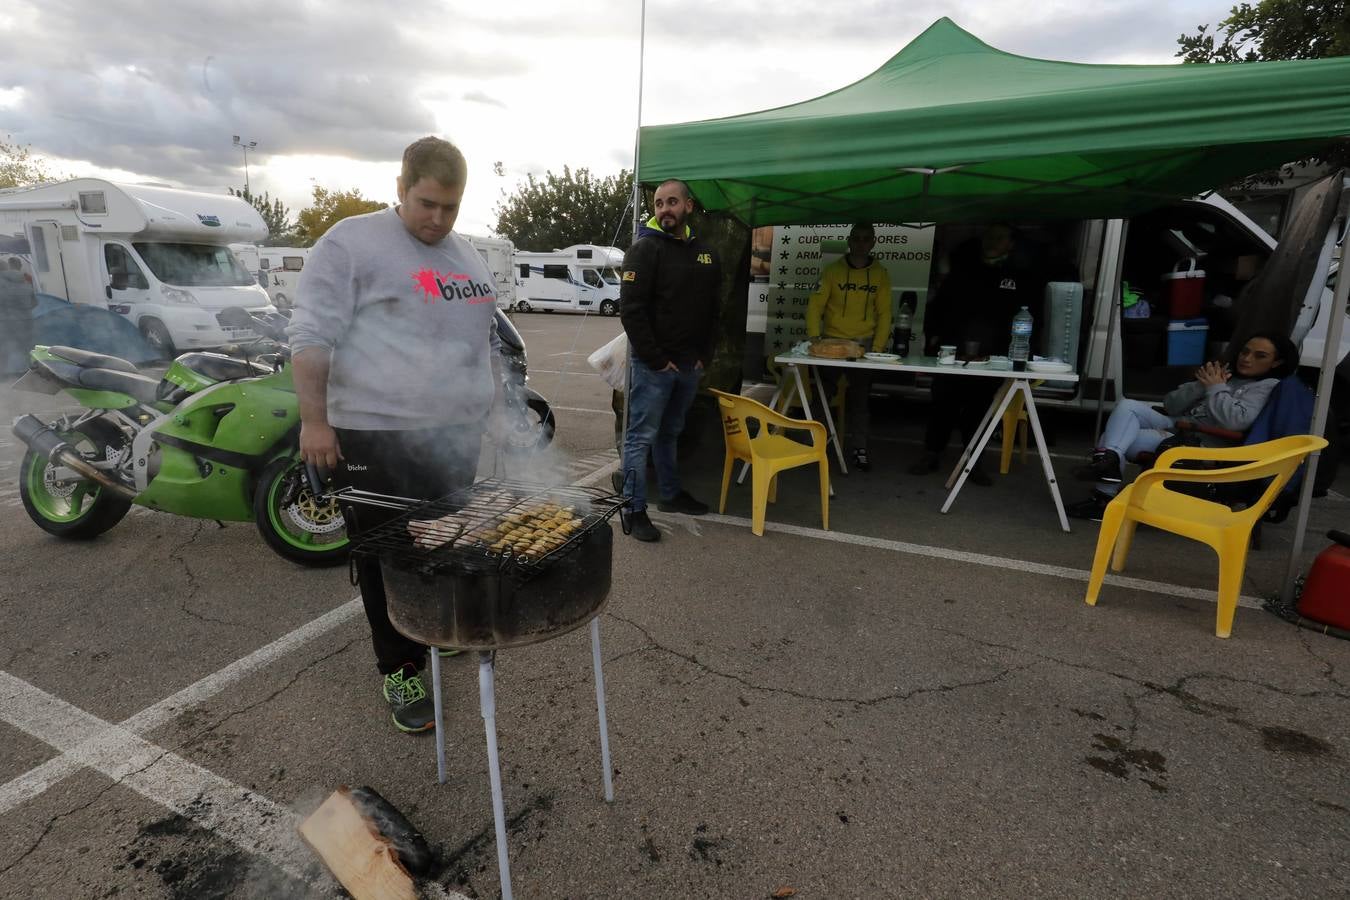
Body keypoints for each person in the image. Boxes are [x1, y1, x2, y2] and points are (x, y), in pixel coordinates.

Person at [287, 136, 501, 734]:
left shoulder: (466, 256)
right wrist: (314, 422)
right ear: (401, 188)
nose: (437, 219)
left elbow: (482, 340)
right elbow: (310, 336)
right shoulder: (353, 243)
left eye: (450, 207)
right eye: (427, 203)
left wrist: (496, 409)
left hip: (453, 433)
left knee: (447, 540)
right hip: (376, 435)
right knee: (389, 556)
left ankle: (433, 628)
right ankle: (400, 668)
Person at [1067, 332, 1297, 520]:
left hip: (1202, 441)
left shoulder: (1267, 386)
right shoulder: (1226, 374)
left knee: (1114, 438)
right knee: (1128, 405)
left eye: (1260, 356)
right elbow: (1170, 403)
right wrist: (1200, 386)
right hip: (1179, 426)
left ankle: (1104, 494)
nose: (1247, 359)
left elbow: (1236, 421)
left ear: (1276, 362)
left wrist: (1215, 388)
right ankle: (1108, 465)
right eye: (1245, 351)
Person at [618, 179, 722, 543]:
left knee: (671, 432)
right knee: (640, 437)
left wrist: (703, 356)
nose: (664, 209)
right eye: (659, 203)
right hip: (655, 367)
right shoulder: (644, 250)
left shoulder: (705, 252)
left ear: (688, 206)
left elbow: (713, 310)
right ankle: (633, 509)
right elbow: (631, 312)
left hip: (689, 366)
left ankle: (671, 493)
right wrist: (657, 360)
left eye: (672, 202)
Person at [909, 224, 1043, 485]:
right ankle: (931, 453)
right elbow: (938, 308)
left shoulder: (1020, 277)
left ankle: (974, 462)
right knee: (942, 404)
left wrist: (1020, 354)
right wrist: (933, 339)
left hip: (993, 358)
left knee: (979, 409)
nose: (993, 241)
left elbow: (1030, 320)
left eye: (999, 236)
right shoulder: (964, 269)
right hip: (953, 353)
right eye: (990, 236)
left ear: (1011, 244)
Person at [805, 223, 892, 471]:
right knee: (822, 396)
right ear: (849, 241)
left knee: (860, 401)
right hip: (832, 343)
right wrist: (814, 337)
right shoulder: (832, 271)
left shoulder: (881, 274)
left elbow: (885, 313)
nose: (861, 243)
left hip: (862, 346)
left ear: (873, 242)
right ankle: (814, 446)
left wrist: (877, 346)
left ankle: (859, 449)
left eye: (866, 239)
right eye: (857, 238)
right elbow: (815, 305)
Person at [0, 257, 37, 374]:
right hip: (26, 320)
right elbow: (34, 303)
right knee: (26, 347)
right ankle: (28, 371)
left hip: (6, 322)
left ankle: (4, 373)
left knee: (5, 347)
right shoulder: (25, 281)